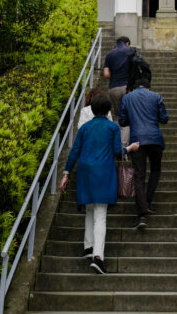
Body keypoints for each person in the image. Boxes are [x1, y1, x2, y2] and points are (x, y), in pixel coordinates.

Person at [60, 94, 139, 274]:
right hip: (103, 172)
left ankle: (88, 246)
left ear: (92, 110)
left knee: (89, 208)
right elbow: (117, 151)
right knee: (100, 214)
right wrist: (131, 148)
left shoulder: (84, 128)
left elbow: (74, 152)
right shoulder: (112, 127)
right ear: (109, 110)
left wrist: (66, 174)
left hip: (85, 171)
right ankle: (98, 257)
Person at [118, 75, 168, 230]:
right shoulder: (156, 96)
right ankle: (147, 201)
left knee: (139, 175)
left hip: (137, 141)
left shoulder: (127, 98)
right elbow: (164, 118)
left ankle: (141, 214)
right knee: (156, 170)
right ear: (148, 87)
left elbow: (122, 121)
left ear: (135, 86)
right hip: (155, 139)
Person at [103, 36, 134, 119]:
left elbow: (106, 74)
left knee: (118, 116)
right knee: (129, 115)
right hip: (128, 87)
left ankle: (119, 130)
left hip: (113, 89)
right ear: (127, 43)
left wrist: (114, 76)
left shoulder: (109, 54)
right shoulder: (130, 51)